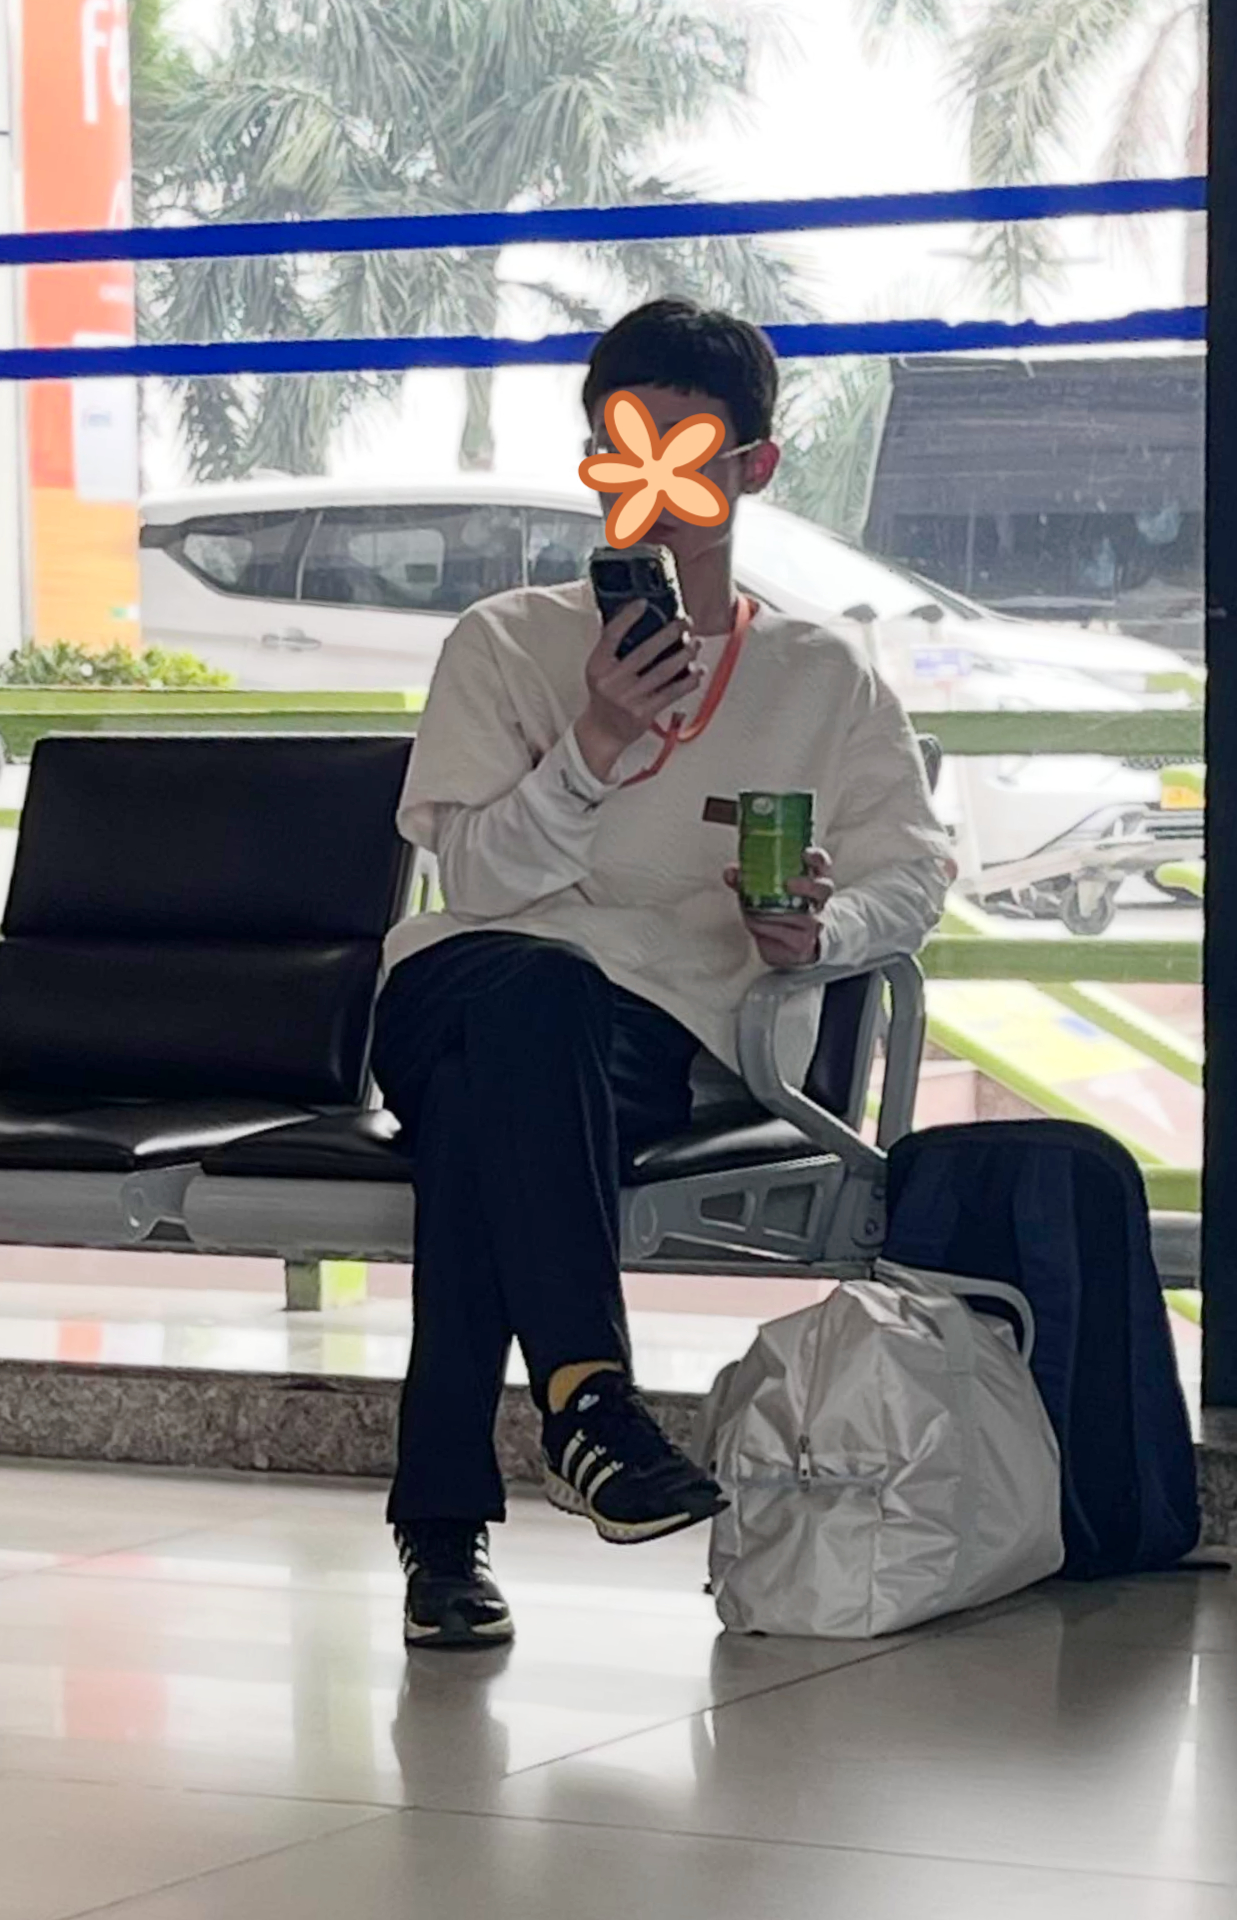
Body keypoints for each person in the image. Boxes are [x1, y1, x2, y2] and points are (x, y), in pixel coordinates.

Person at [374, 298, 953, 1648]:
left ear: (754, 464)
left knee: (484, 1123)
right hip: (464, 981)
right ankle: (588, 1403)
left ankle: (452, 1527)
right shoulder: (505, 641)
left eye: (685, 448)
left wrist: (822, 932)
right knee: (534, 997)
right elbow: (480, 885)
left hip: (662, 1032)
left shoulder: (823, 675)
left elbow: (911, 873)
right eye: (622, 445)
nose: (650, 483)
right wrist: (592, 739)